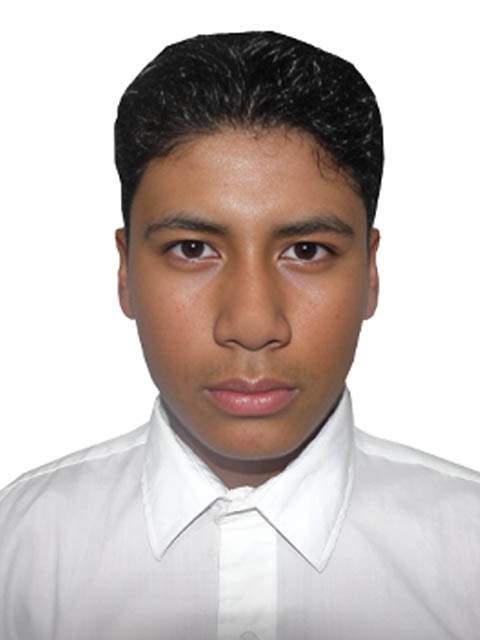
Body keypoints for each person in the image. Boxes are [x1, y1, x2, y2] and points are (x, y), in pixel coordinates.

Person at [0, 30, 478, 640]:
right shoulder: (20, 550)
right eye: (192, 249)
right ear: (125, 272)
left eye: (306, 251)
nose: (252, 326)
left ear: (370, 273)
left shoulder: (468, 553)